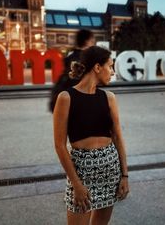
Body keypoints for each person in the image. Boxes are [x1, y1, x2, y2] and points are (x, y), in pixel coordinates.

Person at [53, 46, 129, 225]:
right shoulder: (66, 98)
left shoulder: (109, 97)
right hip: (81, 173)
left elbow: (118, 138)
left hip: (110, 171)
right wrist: (76, 184)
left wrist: (124, 176)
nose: (112, 72)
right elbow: (60, 145)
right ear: (97, 67)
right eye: (110, 66)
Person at [49, 29, 95, 112]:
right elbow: (77, 83)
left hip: (67, 101)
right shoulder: (83, 59)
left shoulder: (71, 56)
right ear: (87, 41)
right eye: (92, 41)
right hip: (75, 105)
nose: (93, 44)